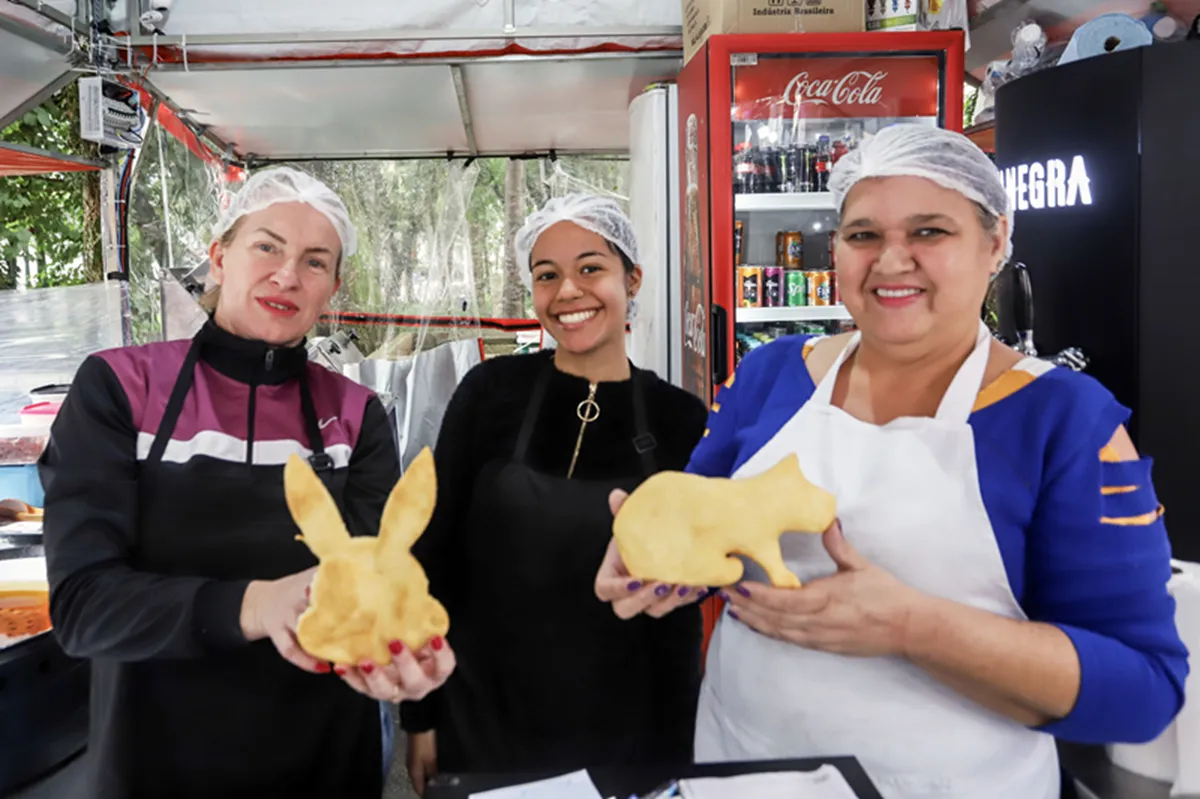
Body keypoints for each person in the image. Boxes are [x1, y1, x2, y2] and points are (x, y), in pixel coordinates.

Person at [598, 124, 1189, 798]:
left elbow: (1145, 689)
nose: (891, 260)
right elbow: (708, 535)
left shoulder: (1065, 421)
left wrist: (910, 625)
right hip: (739, 765)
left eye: (929, 232)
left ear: (995, 243)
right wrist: (655, 565)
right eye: (863, 235)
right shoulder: (770, 375)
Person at [39, 167, 456, 799]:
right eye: (267, 246)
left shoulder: (355, 414)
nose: (287, 275)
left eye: (315, 262)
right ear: (220, 256)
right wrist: (255, 605)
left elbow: (376, 585)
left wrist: (406, 653)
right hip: (157, 758)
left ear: (333, 287)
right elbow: (83, 607)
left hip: (322, 759)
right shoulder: (122, 388)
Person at [401, 194, 709, 793]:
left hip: (628, 730)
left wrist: (677, 755)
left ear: (633, 278)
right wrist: (421, 715)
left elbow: (682, 605)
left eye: (591, 267)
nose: (568, 290)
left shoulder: (679, 419)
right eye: (547, 275)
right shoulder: (491, 392)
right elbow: (431, 554)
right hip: (483, 716)